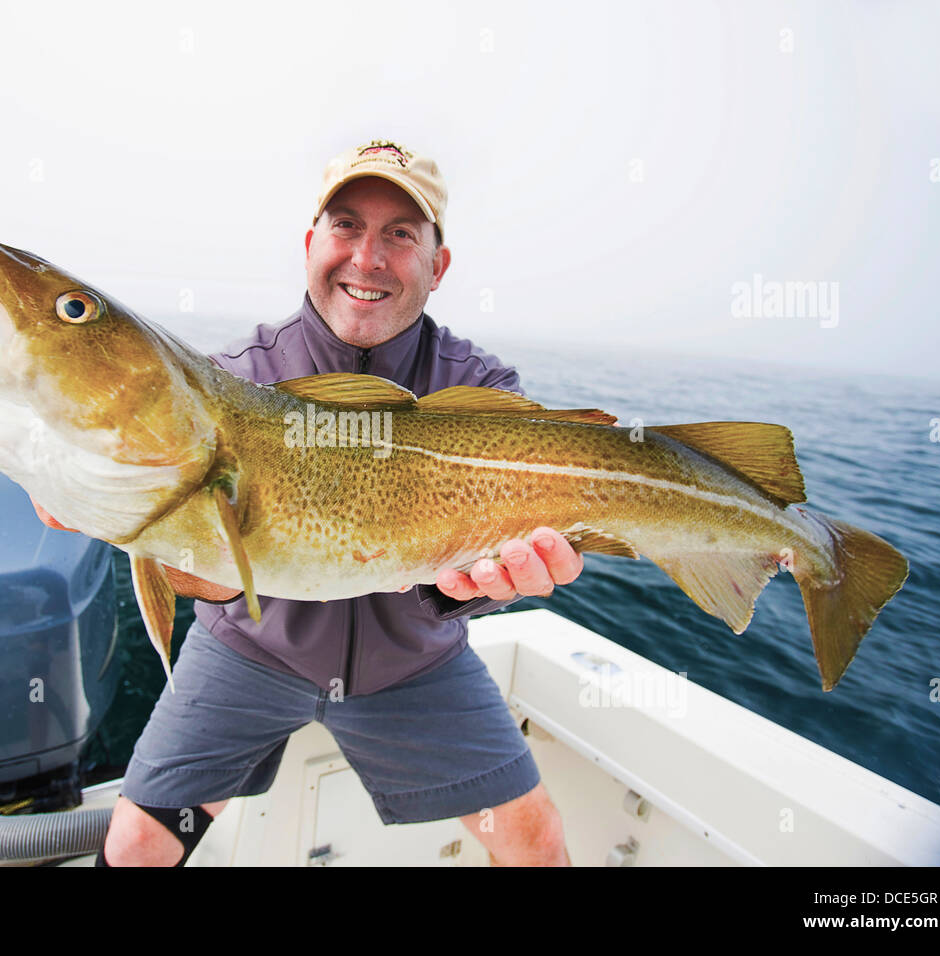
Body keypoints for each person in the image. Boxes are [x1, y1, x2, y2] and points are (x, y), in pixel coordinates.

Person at [35, 139, 581, 866]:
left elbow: (486, 563)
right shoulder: (232, 380)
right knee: (140, 844)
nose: (367, 257)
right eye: (347, 226)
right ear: (310, 243)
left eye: (400, 234)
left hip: (413, 665)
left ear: (437, 265)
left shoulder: (480, 389)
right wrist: (147, 527)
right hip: (253, 655)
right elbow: (209, 580)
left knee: (533, 837)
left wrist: (478, 591)